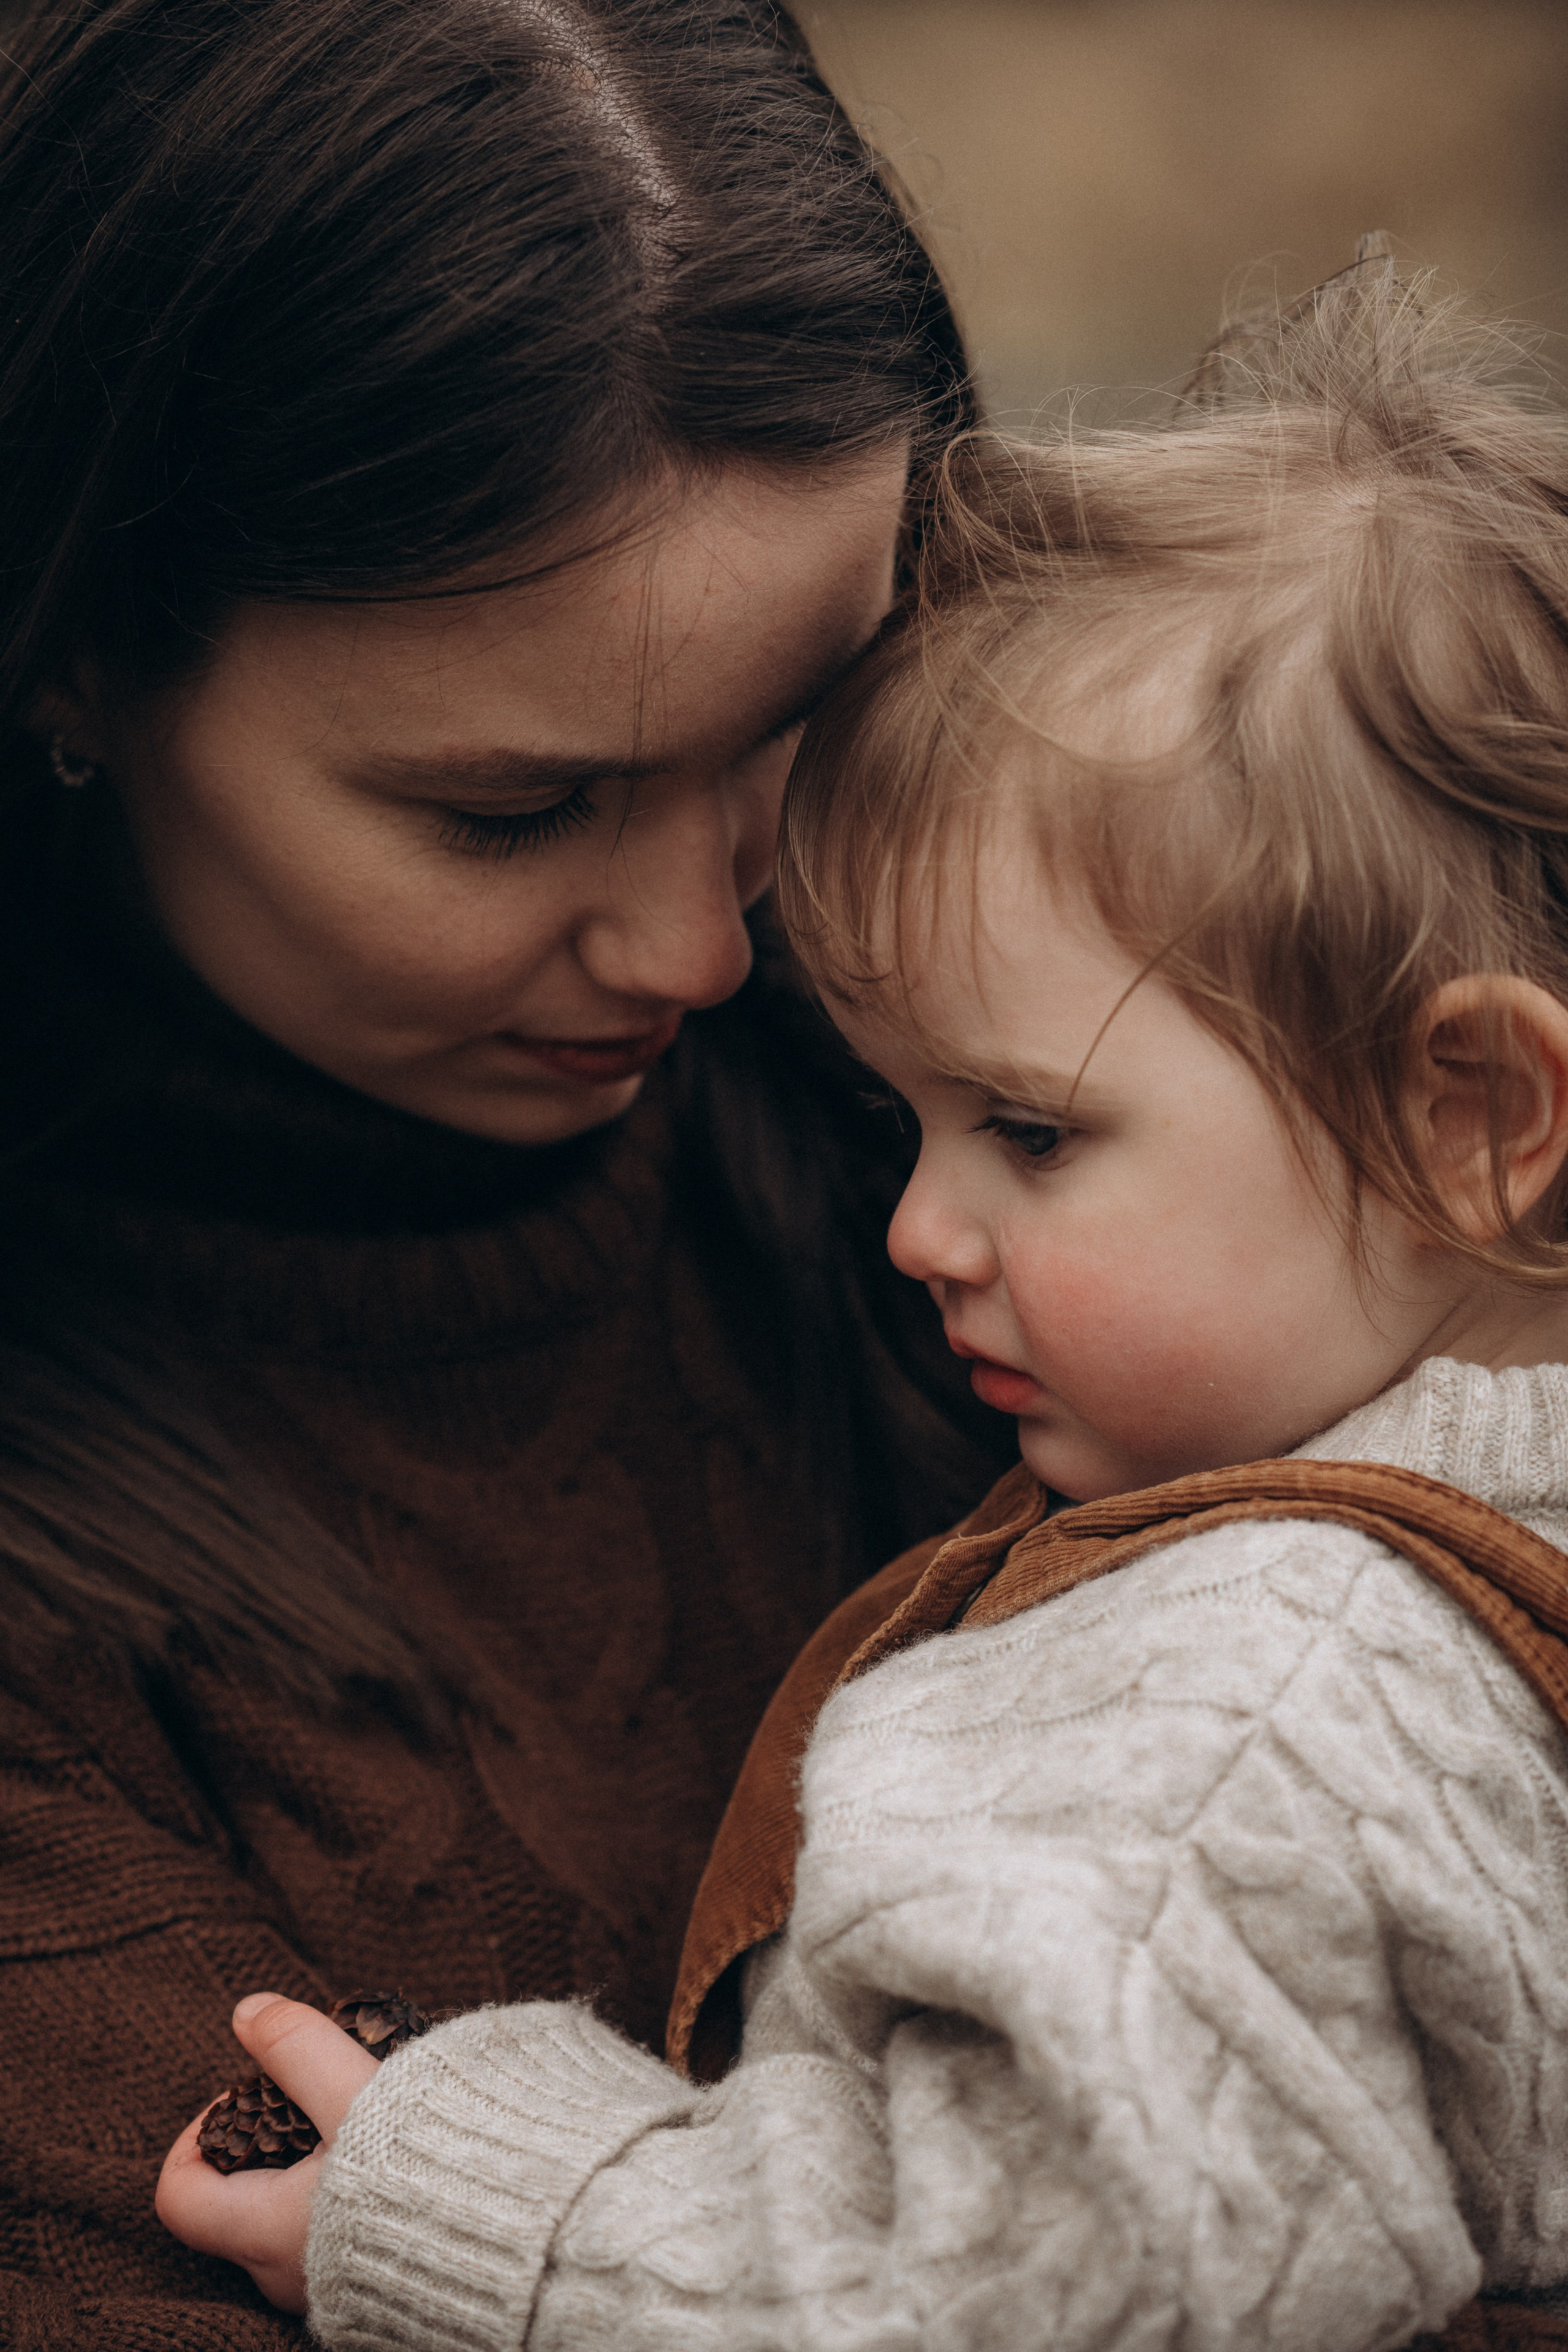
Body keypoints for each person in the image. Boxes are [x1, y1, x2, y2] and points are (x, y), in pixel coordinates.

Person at [160, 258, 1568, 2350]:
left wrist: (501, 2209)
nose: (916, 1226)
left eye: (1028, 1127)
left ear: (1472, 1112)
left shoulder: (1262, 1696)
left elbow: (1020, 2295)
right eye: (904, 1117)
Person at [0, 2, 1014, 2343]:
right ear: (64, 659)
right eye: (506, 812)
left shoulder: (1047, 1057)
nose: (702, 944)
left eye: (806, 726)